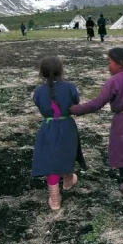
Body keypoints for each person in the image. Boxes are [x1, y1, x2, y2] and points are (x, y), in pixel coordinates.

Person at [70, 48, 123, 200]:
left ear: (119, 63)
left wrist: (76, 109)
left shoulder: (114, 81)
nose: (108, 66)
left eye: (109, 62)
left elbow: (97, 103)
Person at [31, 56, 85, 210]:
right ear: (61, 70)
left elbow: (38, 104)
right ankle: (68, 181)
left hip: (48, 128)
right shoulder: (69, 87)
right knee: (68, 153)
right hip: (67, 125)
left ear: (41, 73)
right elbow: (76, 102)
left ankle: (54, 198)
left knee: (50, 159)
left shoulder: (38, 91)